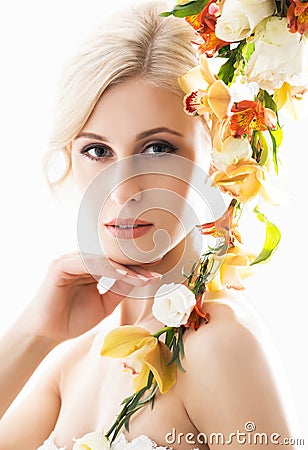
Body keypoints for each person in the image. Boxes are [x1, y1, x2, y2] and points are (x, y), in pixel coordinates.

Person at [0, 1, 299, 449]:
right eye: (97, 151)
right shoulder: (72, 355)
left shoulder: (219, 345)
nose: (121, 192)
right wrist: (32, 334)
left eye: (158, 149)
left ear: (216, 155)